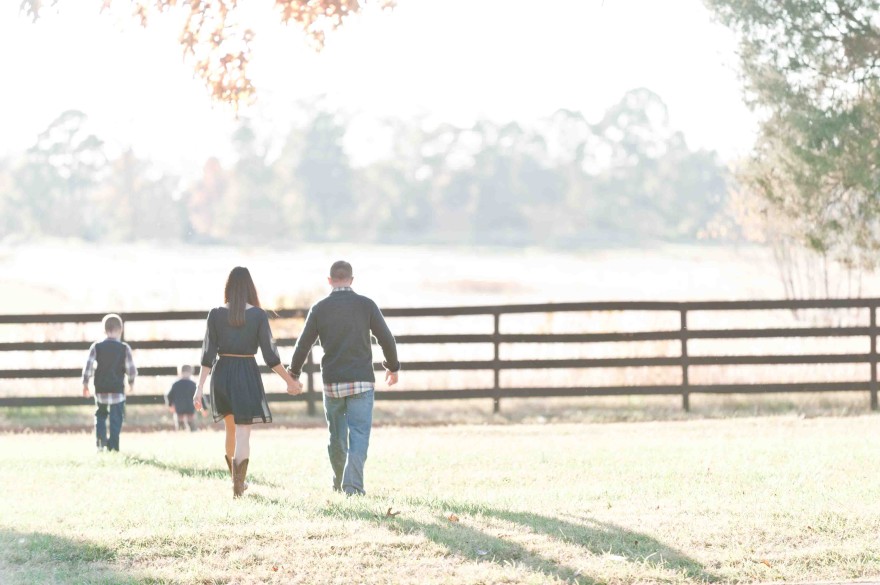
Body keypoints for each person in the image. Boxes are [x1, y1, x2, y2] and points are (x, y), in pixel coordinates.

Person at [288, 260, 400, 496]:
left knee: (337, 436)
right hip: (361, 380)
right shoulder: (366, 305)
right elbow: (387, 339)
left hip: (333, 383)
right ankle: (353, 486)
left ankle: (339, 483)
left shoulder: (319, 308)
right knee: (359, 434)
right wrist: (392, 367)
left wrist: (293, 375)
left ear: (329, 281)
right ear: (351, 279)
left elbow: (303, 344)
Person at [196, 266, 303, 498]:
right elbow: (271, 357)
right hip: (246, 373)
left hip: (221, 373)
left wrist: (199, 388)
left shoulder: (215, 314)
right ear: (249, 288)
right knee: (244, 432)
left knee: (230, 430)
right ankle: (238, 486)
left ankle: (236, 482)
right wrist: (290, 382)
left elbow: (207, 355)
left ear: (228, 288)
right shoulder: (257, 315)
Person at [81, 313, 137, 452]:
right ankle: (113, 446)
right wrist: (131, 382)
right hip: (117, 390)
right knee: (116, 419)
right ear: (120, 330)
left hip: (101, 389)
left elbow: (88, 366)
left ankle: (100, 444)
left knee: (100, 415)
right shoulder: (124, 348)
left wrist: (85, 383)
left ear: (104, 330)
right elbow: (131, 369)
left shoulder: (96, 347)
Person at [166, 365, 199, 431]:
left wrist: (170, 405)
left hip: (179, 405)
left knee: (179, 418)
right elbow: (198, 395)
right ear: (191, 372)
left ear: (180, 373)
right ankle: (193, 430)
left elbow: (169, 395)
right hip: (190, 405)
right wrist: (203, 407)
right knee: (191, 418)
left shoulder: (175, 384)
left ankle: (181, 429)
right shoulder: (193, 384)